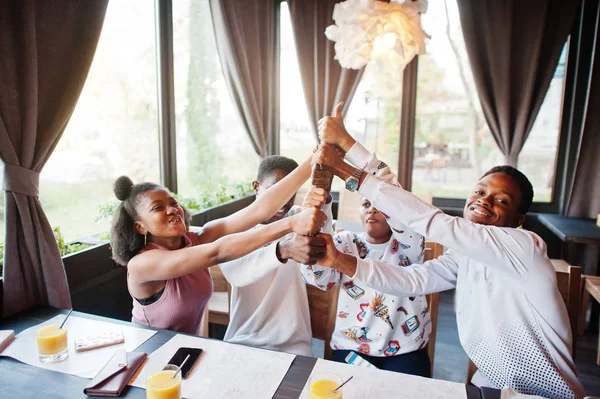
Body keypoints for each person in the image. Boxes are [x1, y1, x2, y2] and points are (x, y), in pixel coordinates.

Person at [310, 102, 585, 398]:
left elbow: (428, 221)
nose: (484, 201)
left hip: (550, 394)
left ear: (518, 220)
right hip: (492, 386)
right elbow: (412, 281)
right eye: (479, 192)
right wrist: (339, 260)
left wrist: (345, 161)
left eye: (501, 200)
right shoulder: (463, 256)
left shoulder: (525, 246)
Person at [109, 157, 326, 335]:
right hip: (149, 356)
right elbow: (217, 252)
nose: (172, 210)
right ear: (140, 227)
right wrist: (290, 224)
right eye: (158, 208)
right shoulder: (141, 264)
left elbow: (260, 209)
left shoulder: (197, 239)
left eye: (173, 203)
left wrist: (316, 158)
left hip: (186, 352)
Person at [301, 195, 431, 376]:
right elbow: (319, 278)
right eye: (366, 204)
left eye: (381, 205)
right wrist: (324, 205)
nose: (372, 209)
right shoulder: (346, 242)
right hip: (351, 348)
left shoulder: (409, 246)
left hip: (406, 350)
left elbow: (409, 222)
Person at [219, 155, 333, 356]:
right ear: (256, 187)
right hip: (241, 340)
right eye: (276, 190)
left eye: (290, 193)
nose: (283, 201)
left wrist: (324, 202)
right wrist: (283, 249)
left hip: (294, 345)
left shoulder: (300, 216)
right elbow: (236, 273)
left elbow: (324, 258)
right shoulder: (235, 227)